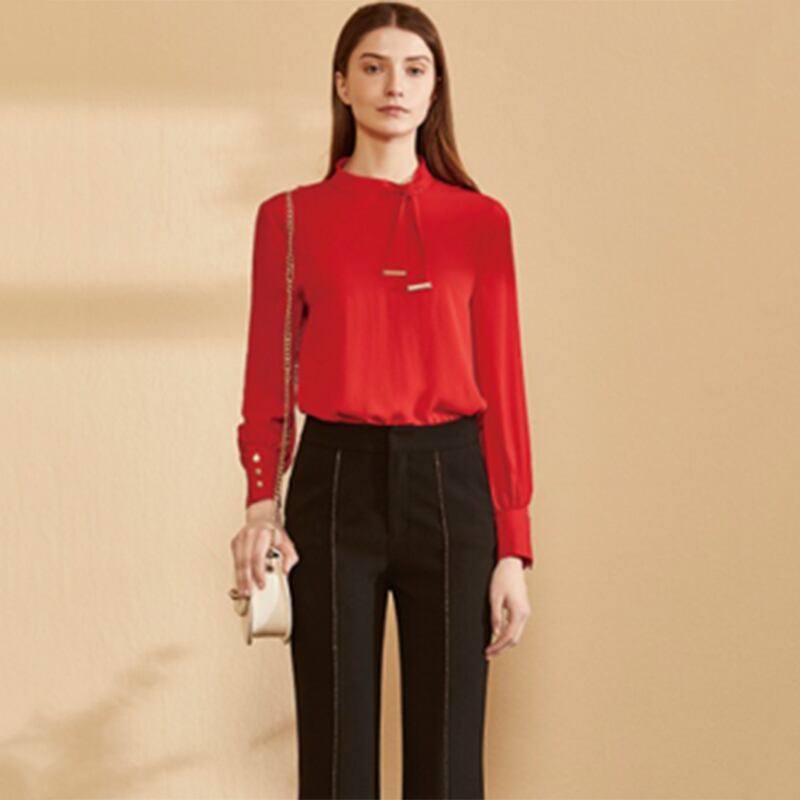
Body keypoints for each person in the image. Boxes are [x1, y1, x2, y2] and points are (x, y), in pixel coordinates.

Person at [230, 3, 535, 798]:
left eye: (414, 69)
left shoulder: (481, 221)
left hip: (452, 489)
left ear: (435, 90)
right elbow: (269, 376)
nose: (394, 85)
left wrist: (512, 545)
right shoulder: (289, 218)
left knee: (449, 764)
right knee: (336, 763)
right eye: (373, 66)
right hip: (335, 486)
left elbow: (503, 387)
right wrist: (261, 505)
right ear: (342, 84)